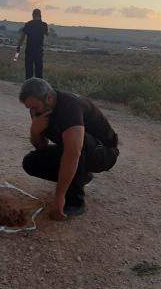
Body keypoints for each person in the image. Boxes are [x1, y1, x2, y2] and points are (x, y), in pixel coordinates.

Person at [20, 78, 119, 220]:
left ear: (49, 98)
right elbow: (41, 147)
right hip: (77, 150)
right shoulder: (39, 111)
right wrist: (34, 131)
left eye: (35, 107)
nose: (32, 111)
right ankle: (81, 177)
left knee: (76, 145)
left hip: (105, 153)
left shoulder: (69, 106)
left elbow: (73, 154)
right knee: (31, 162)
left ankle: (75, 202)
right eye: (29, 108)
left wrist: (59, 196)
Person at [16, 9, 49, 79]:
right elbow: (47, 34)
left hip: (29, 51)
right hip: (39, 51)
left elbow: (22, 38)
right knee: (39, 73)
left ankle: (28, 88)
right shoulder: (44, 25)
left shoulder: (28, 24)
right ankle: (38, 88)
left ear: (33, 15)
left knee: (28, 72)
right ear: (40, 15)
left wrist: (18, 47)